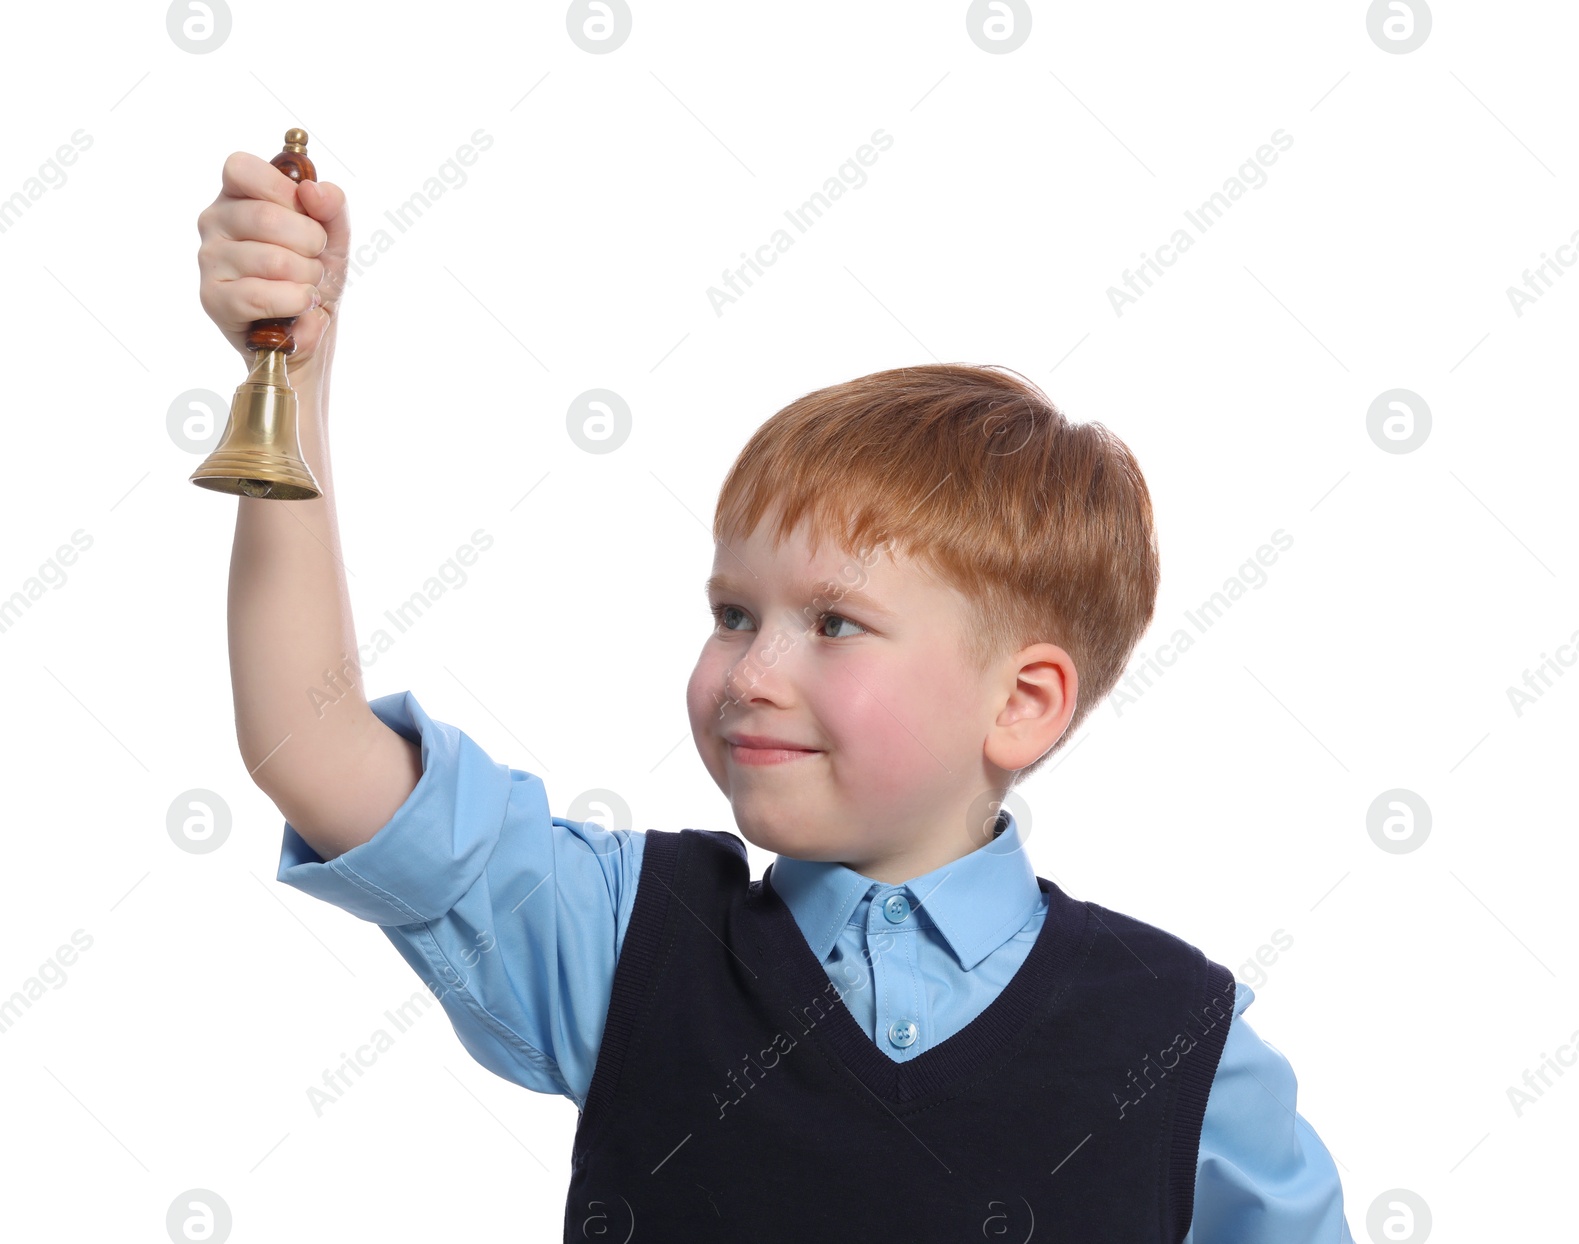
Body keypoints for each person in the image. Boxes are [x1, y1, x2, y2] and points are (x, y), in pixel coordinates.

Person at [197, 152, 1355, 1242]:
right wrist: (290, 379)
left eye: (835, 623)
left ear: (1022, 703)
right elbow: (315, 743)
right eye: (733, 613)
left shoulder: (1183, 1047)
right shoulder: (623, 942)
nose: (749, 673)